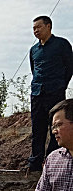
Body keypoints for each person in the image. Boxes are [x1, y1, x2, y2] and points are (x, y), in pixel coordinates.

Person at [27, 15, 73, 173]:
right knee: (37, 129)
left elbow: (69, 68)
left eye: (38, 27)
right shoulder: (34, 50)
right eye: (34, 28)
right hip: (37, 94)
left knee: (55, 127)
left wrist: (61, 86)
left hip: (55, 92)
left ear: (49, 26)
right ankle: (34, 164)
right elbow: (34, 70)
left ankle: (52, 160)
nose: (36, 31)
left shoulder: (62, 44)